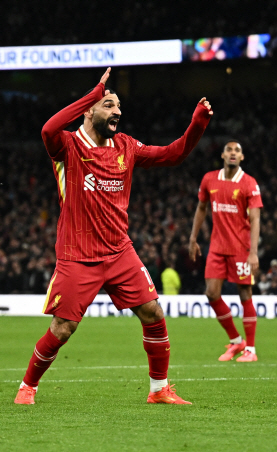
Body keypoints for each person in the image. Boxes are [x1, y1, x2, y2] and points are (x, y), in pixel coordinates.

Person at [14, 68, 212, 405]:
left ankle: (159, 389)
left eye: (118, 105)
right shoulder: (69, 146)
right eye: (109, 104)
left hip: (120, 251)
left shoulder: (126, 146)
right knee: (63, 329)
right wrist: (94, 93)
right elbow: (48, 128)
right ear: (89, 110)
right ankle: (27, 386)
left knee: (153, 312)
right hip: (78, 253)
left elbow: (174, 154)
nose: (117, 111)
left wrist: (197, 124)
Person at [189, 140, 263, 363]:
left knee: (244, 294)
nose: (233, 153)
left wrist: (253, 252)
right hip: (217, 248)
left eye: (237, 151)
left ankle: (250, 349)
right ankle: (235, 340)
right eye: (229, 150)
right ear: (222, 155)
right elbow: (201, 208)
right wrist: (193, 237)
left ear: (242, 158)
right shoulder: (209, 179)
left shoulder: (249, 183)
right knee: (211, 293)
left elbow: (255, 218)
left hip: (241, 248)